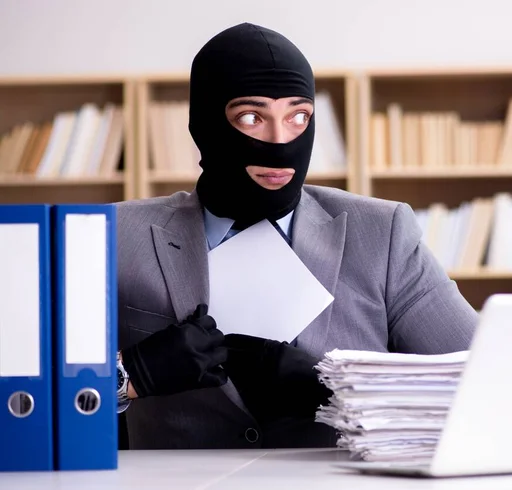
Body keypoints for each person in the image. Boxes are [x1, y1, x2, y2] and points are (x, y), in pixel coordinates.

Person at [115, 22, 478, 450]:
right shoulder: (116, 235)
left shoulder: (383, 236)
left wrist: (340, 391)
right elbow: (23, 406)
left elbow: (490, 384)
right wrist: (129, 376)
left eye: (298, 116)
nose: (280, 141)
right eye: (251, 117)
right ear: (205, 125)